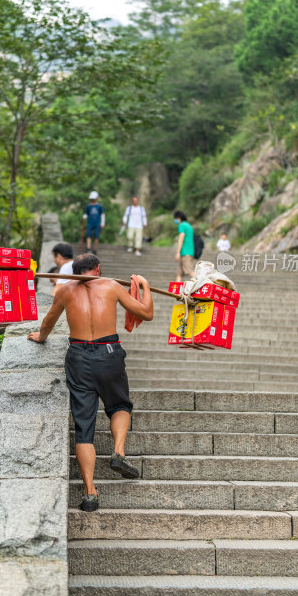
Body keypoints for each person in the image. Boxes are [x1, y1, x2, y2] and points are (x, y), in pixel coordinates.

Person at [27, 252, 153, 512]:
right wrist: (144, 286)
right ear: (98, 268)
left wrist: (40, 337)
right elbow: (146, 313)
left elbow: (49, 320)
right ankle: (118, 452)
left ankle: (90, 493)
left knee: (84, 426)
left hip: (78, 357)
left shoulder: (64, 291)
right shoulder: (111, 286)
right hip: (109, 354)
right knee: (119, 405)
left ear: (75, 269)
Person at [173, 210, 195, 282]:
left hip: (185, 253)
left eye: (175, 218)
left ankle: (204, 286)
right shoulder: (189, 226)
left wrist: (177, 252)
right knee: (179, 273)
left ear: (179, 218)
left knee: (190, 272)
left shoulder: (182, 225)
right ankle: (176, 292)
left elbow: (181, 238)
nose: (175, 220)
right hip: (189, 252)